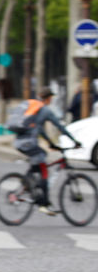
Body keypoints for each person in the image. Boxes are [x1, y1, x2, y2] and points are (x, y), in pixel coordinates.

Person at [14, 87, 82, 216]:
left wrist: (50, 143)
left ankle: (27, 182)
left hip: (19, 142)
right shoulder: (44, 110)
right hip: (29, 143)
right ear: (49, 98)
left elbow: (39, 130)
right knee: (43, 167)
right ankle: (44, 204)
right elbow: (60, 126)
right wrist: (74, 141)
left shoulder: (34, 109)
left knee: (40, 159)